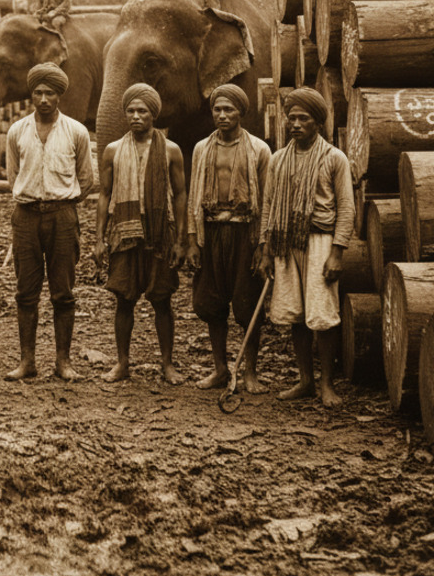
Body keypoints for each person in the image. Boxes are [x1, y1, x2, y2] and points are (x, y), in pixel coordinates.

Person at [258, 87, 354, 408]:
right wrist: (266, 249)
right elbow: (269, 206)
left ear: (318, 123)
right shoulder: (278, 159)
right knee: (295, 314)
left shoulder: (334, 158)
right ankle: (305, 381)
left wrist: (337, 251)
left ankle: (327, 384)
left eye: (304, 118)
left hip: (320, 241)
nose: (296, 124)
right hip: (286, 242)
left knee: (322, 315)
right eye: (292, 118)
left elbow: (346, 208)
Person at [4, 63, 96, 382]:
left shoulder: (76, 131)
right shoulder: (17, 131)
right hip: (26, 216)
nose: (43, 99)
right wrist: (32, 199)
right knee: (26, 292)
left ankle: (63, 362)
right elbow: (12, 175)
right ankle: (27, 361)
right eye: (38, 92)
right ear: (31, 95)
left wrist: (62, 203)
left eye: (50, 93)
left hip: (63, 216)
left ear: (59, 95)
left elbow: (87, 180)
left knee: (63, 292)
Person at [95, 84, 187, 385]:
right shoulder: (112, 150)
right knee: (124, 299)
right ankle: (122, 363)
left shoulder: (171, 150)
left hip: (160, 232)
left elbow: (180, 195)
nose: (135, 116)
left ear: (153, 115)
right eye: (130, 111)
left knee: (162, 300)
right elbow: (105, 194)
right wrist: (99, 238)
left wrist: (179, 240)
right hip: (124, 231)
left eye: (142, 111)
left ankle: (167, 363)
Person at [187, 84, 271, 391]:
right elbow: (194, 196)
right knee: (212, 303)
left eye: (228, 110)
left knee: (248, 304)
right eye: (217, 110)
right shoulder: (202, 148)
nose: (222, 116)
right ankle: (220, 368)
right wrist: (194, 239)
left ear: (241, 113)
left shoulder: (259, 150)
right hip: (211, 231)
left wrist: (262, 245)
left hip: (244, 233)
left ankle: (250, 372)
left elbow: (266, 201)